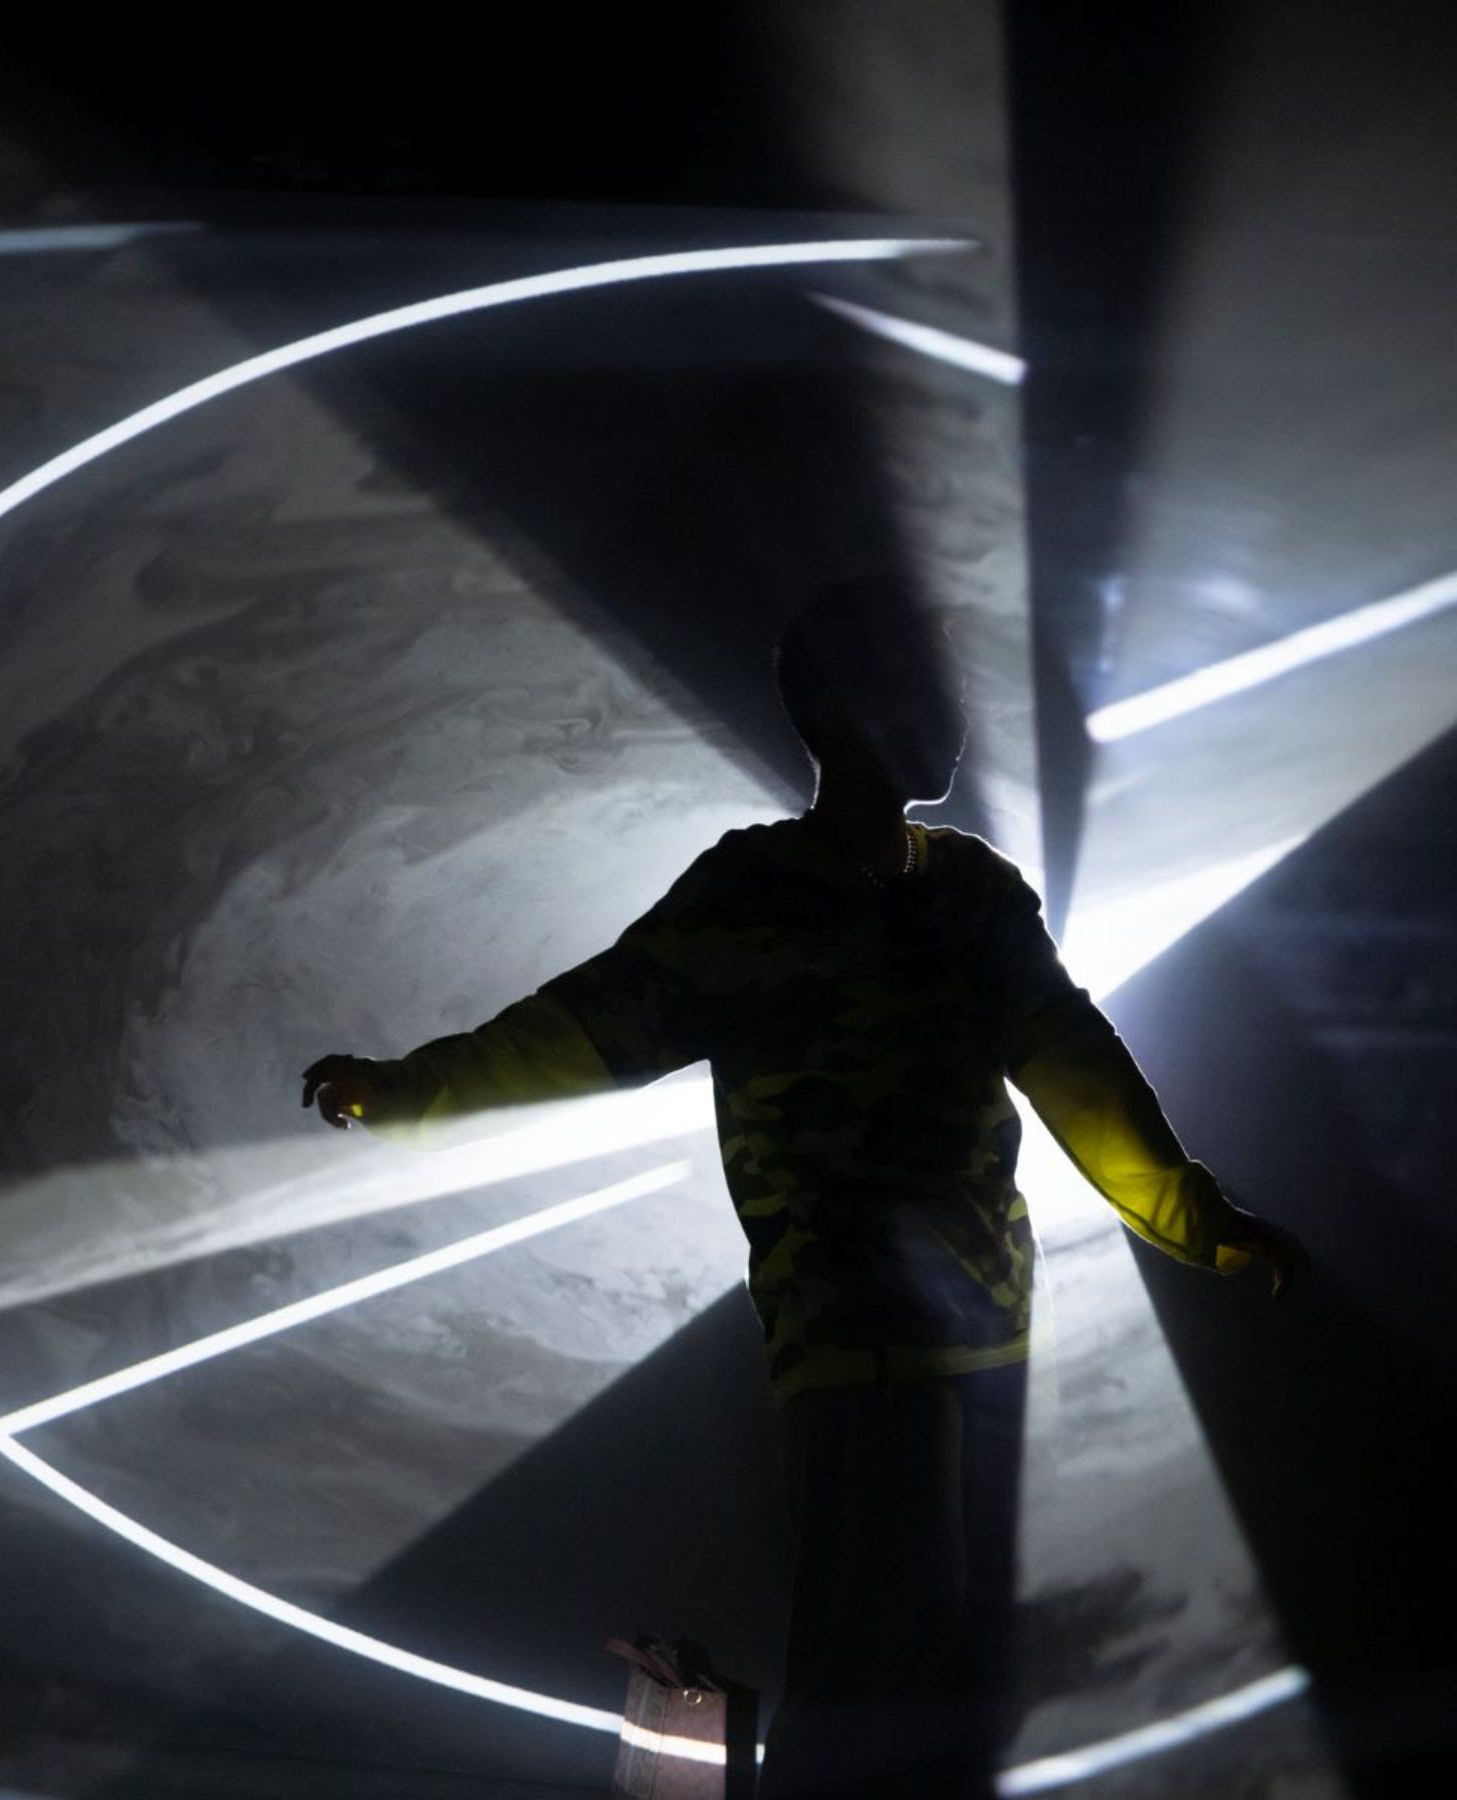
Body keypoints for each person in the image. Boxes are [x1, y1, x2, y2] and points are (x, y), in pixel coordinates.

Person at [299, 582, 1308, 1798]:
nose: (956, 718)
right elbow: (584, 1029)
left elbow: (1076, 1067)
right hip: (856, 1346)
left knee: (945, 1681)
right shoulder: (755, 895)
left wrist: (1200, 1221)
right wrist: (407, 1091)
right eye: (926, 690)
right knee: (868, 1667)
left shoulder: (972, 893)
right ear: (850, 713)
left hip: (983, 1346)